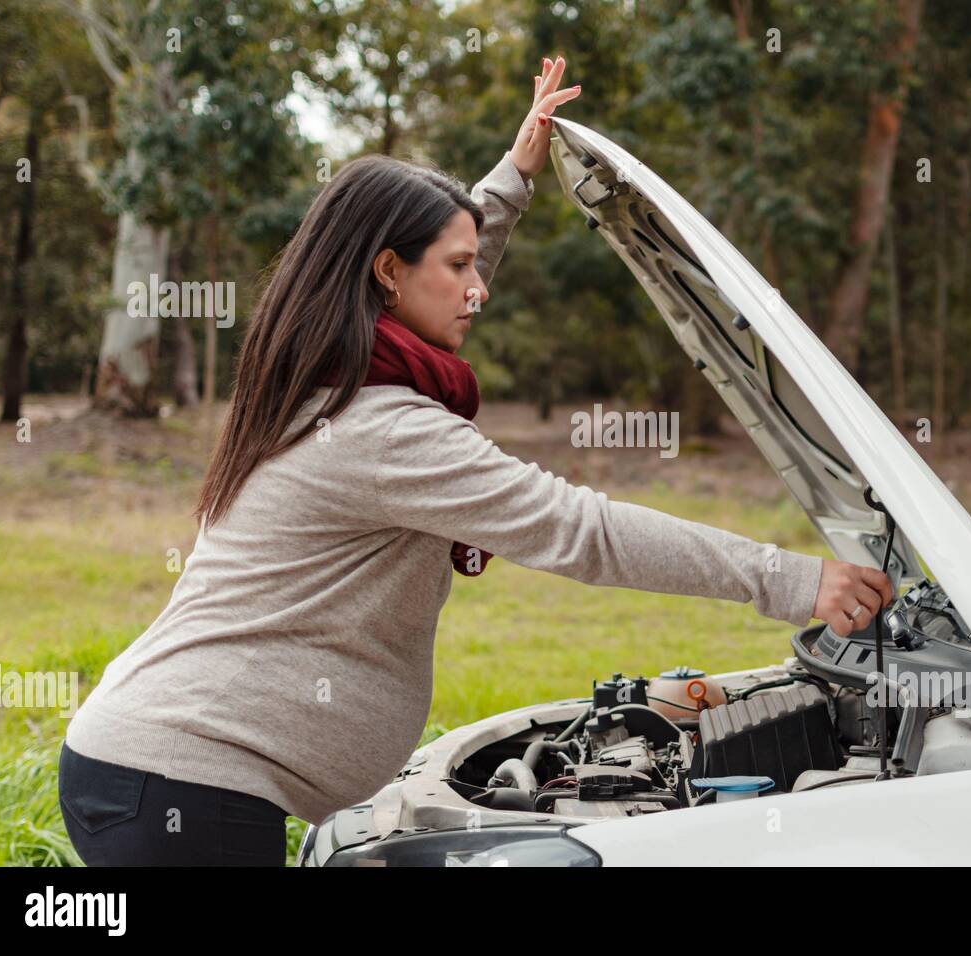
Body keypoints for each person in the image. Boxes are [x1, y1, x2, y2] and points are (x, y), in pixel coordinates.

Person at [57, 56, 894, 866]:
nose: (476, 288)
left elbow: (443, 269)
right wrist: (789, 580)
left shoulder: (327, 372)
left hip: (152, 773)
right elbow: (580, 531)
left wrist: (514, 176)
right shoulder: (383, 429)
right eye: (457, 268)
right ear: (387, 273)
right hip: (175, 791)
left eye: (472, 262)